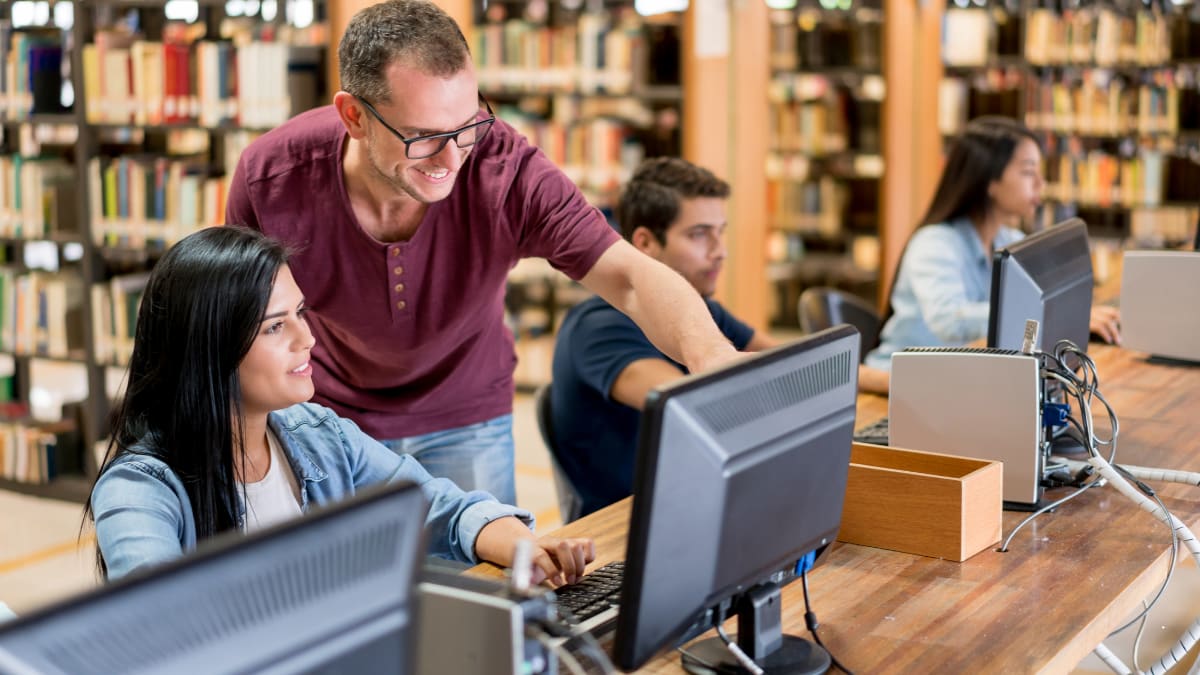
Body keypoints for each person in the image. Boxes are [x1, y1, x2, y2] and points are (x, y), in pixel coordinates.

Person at [224, 0, 738, 507]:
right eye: (424, 137)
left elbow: (629, 276)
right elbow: (239, 325)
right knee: (354, 588)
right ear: (355, 116)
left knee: (482, 584)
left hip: (468, 416)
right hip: (332, 417)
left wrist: (713, 360)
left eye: (467, 125)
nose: (452, 160)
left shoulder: (506, 167)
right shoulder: (270, 178)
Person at [86, 226, 594, 584]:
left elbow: (437, 506)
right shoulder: (139, 489)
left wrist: (520, 545)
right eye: (275, 326)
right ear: (209, 346)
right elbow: (152, 624)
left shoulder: (316, 433)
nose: (307, 339)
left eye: (301, 313)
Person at [550, 158, 888, 517]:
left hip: (706, 496)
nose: (720, 250)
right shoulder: (599, 327)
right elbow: (695, 408)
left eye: (720, 232)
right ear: (645, 243)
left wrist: (892, 381)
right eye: (699, 234)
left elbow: (786, 356)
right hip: (630, 523)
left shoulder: (699, 311)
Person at [865, 117, 1121, 369]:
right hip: (898, 380)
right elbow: (949, 321)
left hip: (958, 376)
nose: (1039, 184)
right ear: (989, 179)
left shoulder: (1010, 241)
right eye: (1028, 172)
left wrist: (1074, 312)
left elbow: (1047, 296)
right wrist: (1046, 316)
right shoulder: (934, 244)